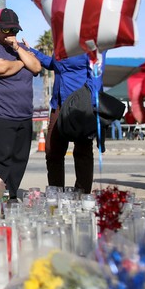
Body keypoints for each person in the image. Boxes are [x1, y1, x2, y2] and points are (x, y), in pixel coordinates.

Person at [0, 8, 41, 199]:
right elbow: (1, 68)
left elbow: (36, 66)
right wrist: (22, 61)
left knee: (19, 160)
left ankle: (9, 196)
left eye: (14, 31)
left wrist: (19, 50)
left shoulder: (20, 48)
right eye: (6, 30)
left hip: (23, 114)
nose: (10, 35)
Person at [27, 47, 101, 194]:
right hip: (58, 104)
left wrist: (90, 105)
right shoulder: (61, 44)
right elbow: (54, 64)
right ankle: (56, 193)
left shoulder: (89, 47)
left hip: (80, 104)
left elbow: (96, 77)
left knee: (82, 151)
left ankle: (82, 194)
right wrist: (33, 52)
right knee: (52, 150)